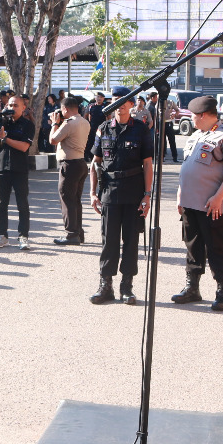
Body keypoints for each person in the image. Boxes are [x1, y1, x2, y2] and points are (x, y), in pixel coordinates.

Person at [170, 95, 223, 310]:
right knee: (192, 245)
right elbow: (187, 168)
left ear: (203, 115)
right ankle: (192, 287)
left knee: (218, 247)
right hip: (190, 203)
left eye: (193, 115)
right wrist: (180, 195)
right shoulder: (196, 136)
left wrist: (218, 198)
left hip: (213, 206)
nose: (191, 118)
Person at [87, 89, 154, 304]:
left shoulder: (141, 129)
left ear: (132, 104)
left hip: (134, 191)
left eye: (125, 101)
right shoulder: (103, 128)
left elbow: (148, 164)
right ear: (112, 104)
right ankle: (105, 285)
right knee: (109, 241)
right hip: (109, 191)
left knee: (131, 240)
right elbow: (95, 163)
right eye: (116, 101)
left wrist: (147, 195)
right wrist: (92, 193)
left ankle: (127, 286)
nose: (121, 105)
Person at [0, 94, 34, 250]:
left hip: (19, 169)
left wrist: (5, 138)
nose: (12, 108)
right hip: (2, 167)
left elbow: (23, 147)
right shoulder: (2, 123)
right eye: (10, 105)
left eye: (16, 105)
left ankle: (23, 236)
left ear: (23, 107)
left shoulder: (28, 124)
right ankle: (2, 235)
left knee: (22, 204)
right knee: (1, 205)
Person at [49, 95, 90, 245]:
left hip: (69, 164)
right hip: (80, 162)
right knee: (75, 200)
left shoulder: (68, 123)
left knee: (67, 199)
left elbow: (53, 140)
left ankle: (71, 234)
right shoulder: (84, 122)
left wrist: (54, 123)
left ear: (65, 109)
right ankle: (78, 232)